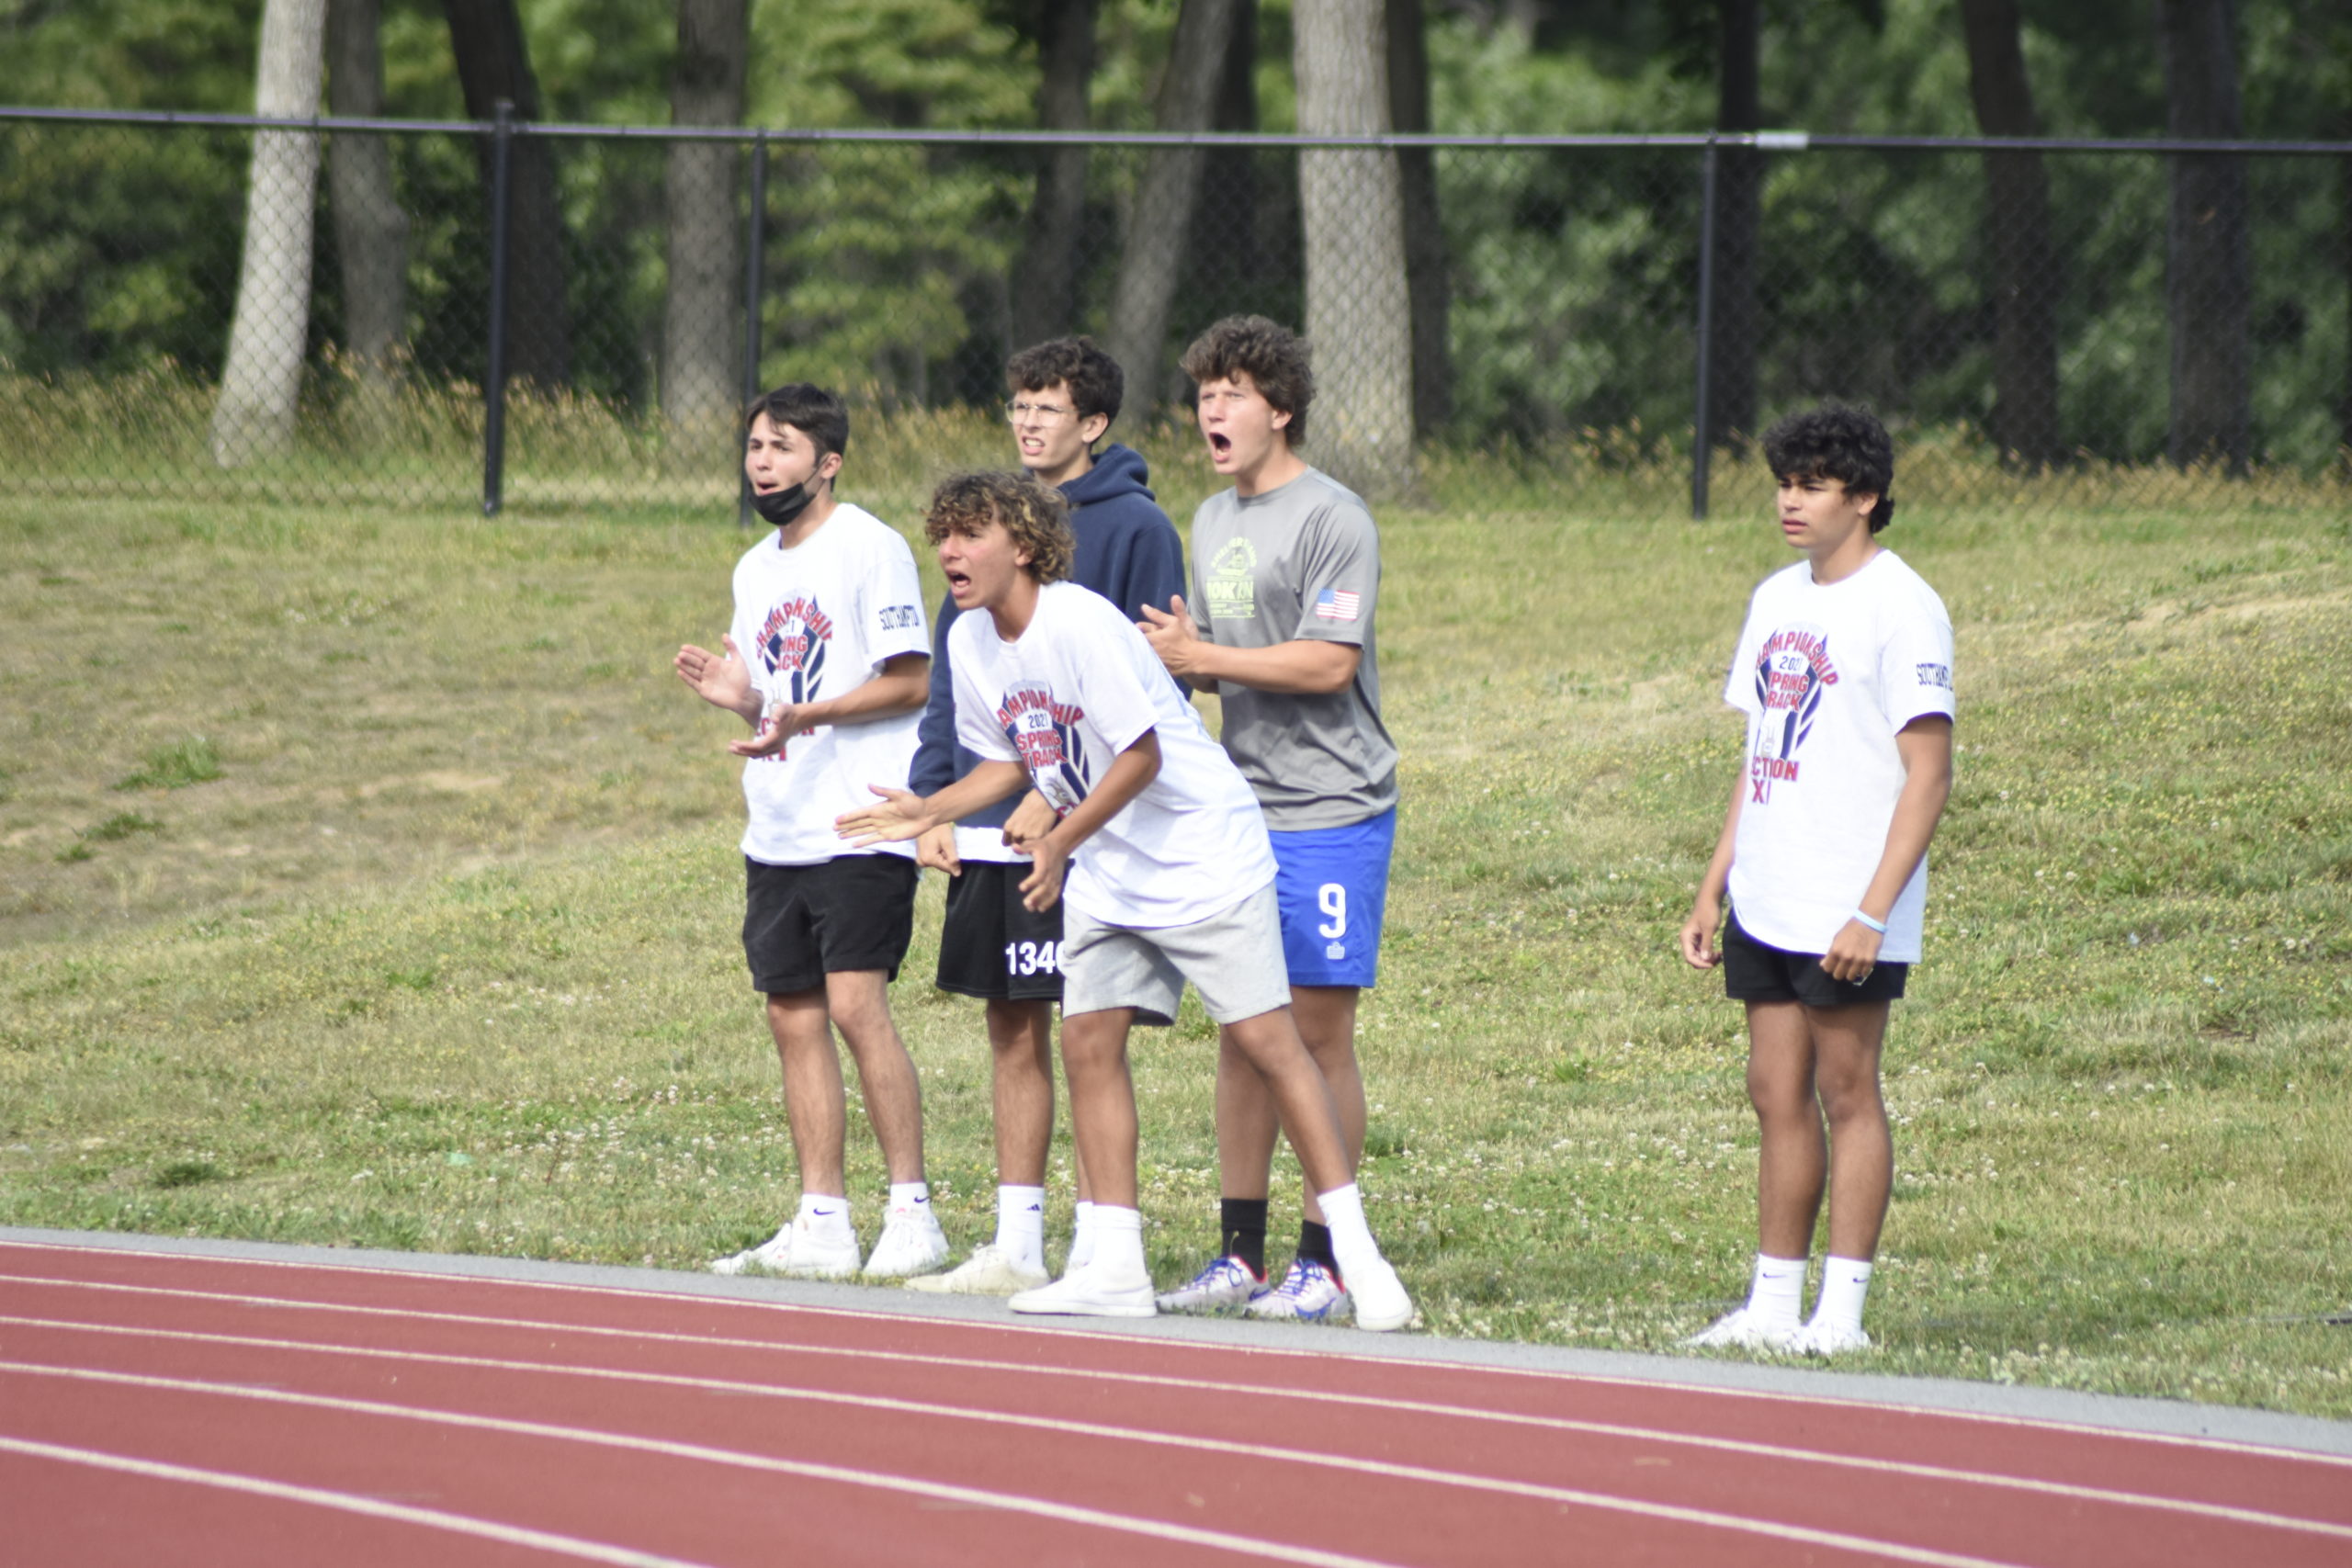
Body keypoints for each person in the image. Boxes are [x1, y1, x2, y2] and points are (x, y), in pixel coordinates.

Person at [838, 471, 1413, 1330]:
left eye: (970, 534)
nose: (951, 552)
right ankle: (1115, 1262)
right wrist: (936, 806)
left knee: (1270, 1043)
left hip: (1197, 853)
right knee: (1088, 1039)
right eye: (943, 535)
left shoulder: (1079, 623)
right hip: (1112, 861)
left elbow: (1139, 755)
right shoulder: (967, 638)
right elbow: (1017, 760)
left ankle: (1358, 1260)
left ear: (1023, 546)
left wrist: (1063, 840)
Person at [902, 337, 1186, 1295]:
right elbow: (959, 694)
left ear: (1094, 424)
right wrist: (933, 802)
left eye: (1047, 407)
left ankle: (1102, 1243)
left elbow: (1144, 694)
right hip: (994, 829)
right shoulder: (970, 543)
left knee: (1087, 1028)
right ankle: (1015, 1238)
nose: (1027, 421)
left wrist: (1049, 789)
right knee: (1009, 1023)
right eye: (1017, 405)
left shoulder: (1137, 528)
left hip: (1087, 825)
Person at [1137, 315, 1401, 1325]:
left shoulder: (1336, 517)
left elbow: (1326, 662)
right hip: (1237, 813)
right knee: (1243, 1033)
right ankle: (1238, 1254)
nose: (1212, 407)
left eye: (1234, 391)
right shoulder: (1208, 521)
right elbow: (1199, 658)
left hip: (1331, 810)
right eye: (1204, 391)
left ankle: (1325, 1260)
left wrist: (1203, 659)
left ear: (1279, 409)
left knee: (1316, 1032)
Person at [1676, 402, 1955, 1356]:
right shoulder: (1773, 599)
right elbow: (1759, 754)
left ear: (1866, 497)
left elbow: (1929, 774)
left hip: (1847, 903)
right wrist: (1715, 881)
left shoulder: (1902, 606)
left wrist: (1871, 911)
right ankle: (1770, 1302)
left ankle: (1840, 1316)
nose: (1789, 502)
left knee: (1847, 1090)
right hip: (1768, 891)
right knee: (1772, 1090)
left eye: (1813, 485)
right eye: (1783, 484)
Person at [675, 383, 949, 1282]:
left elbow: (910, 679)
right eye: (754, 445)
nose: (762, 462)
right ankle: (821, 1218)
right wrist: (747, 700)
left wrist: (804, 713)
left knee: (854, 1007)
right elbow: (779, 697)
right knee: (792, 1015)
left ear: (826, 462)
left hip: (860, 818)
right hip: (779, 825)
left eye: (782, 447)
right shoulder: (754, 569)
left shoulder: (870, 547)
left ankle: (911, 1212)